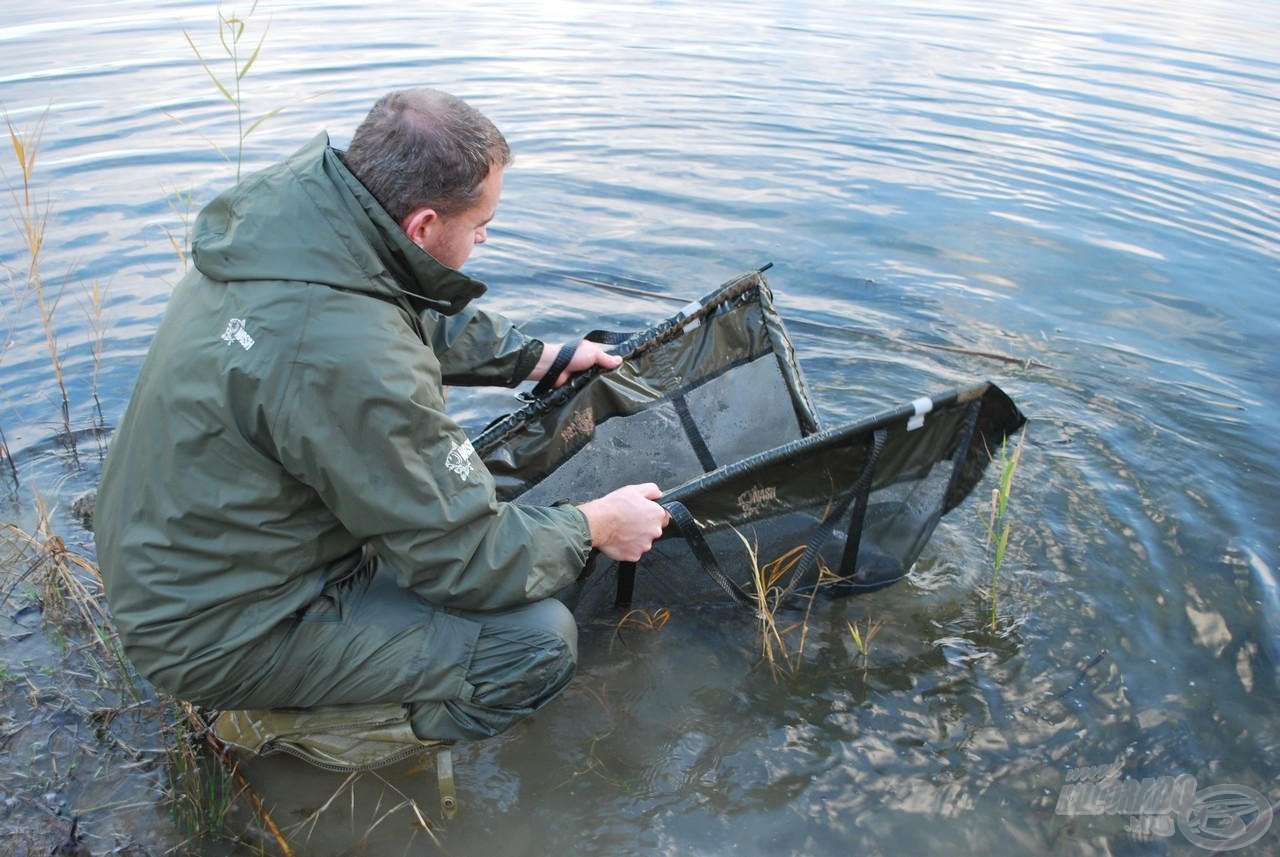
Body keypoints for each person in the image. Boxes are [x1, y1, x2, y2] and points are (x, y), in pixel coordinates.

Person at [94, 88, 670, 754]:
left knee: (450, 513)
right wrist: (595, 525)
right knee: (535, 642)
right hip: (217, 631)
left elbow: (404, 306)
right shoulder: (347, 352)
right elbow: (469, 559)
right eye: (481, 222)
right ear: (424, 226)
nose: (486, 236)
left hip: (177, 569)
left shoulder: (298, 230)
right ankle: (273, 729)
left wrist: (535, 357)